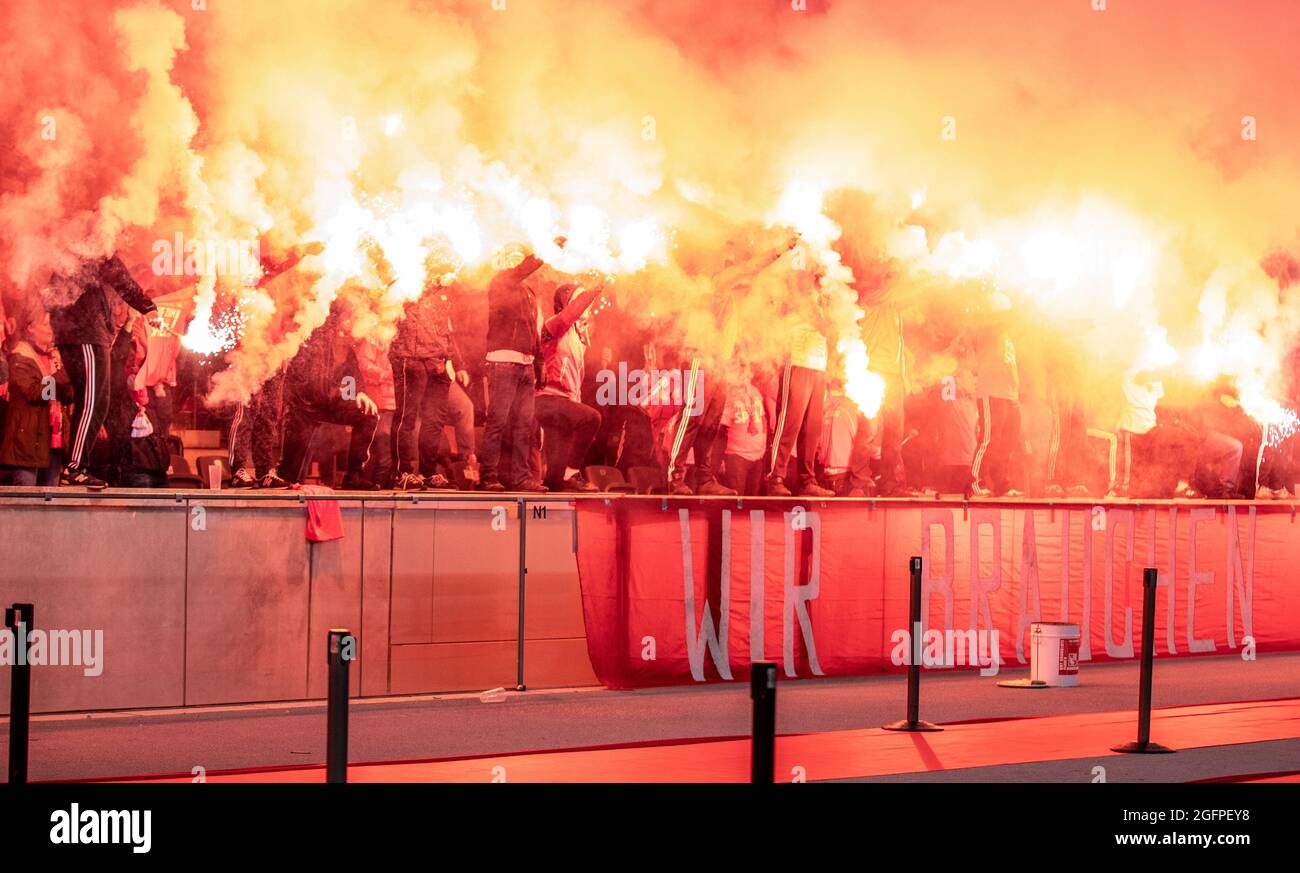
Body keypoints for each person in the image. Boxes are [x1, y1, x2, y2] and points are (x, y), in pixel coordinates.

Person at [45, 255, 161, 488]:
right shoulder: (96, 242)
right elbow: (120, 276)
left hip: (76, 332)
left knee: (93, 400)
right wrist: (147, 307)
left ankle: (77, 466)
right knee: (94, 400)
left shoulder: (74, 246)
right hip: (86, 332)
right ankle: (76, 466)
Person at [280, 298, 381, 489]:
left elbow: (350, 372)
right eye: (350, 317)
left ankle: (353, 477)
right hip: (305, 405)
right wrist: (336, 392)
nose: (353, 321)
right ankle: (287, 480)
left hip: (331, 401)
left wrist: (357, 393)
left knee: (368, 415)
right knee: (290, 473)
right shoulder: (315, 336)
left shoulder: (344, 342)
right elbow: (308, 379)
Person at [388, 271, 467, 491]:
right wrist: (434, 279)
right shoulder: (405, 280)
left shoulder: (443, 296)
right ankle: (402, 472)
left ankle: (428, 472)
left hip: (437, 363)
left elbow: (447, 332)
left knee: (434, 422)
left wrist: (457, 363)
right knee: (407, 418)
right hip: (410, 359)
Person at [480, 245, 547, 493]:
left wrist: (539, 362)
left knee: (524, 424)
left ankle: (520, 477)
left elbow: (534, 329)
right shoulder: (500, 281)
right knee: (497, 421)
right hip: (503, 361)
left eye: (522, 258)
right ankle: (488, 476)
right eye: (514, 259)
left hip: (526, 363)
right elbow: (521, 270)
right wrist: (545, 247)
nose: (520, 263)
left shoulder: (528, 292)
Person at [536, 282, 603, 492]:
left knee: (554, 480)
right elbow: (569, 315)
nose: (586, 305)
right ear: (567, 302)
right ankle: (573, 473)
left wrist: (576, 402)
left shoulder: (579, 338)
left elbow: (576, 378)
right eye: (578, 299)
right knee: (592, 418)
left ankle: (545, 516)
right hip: (545, 399)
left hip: (563, 404)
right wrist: (596, 286)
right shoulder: (554, 325)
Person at [0, 308, 71, 485]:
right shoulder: (20, 356)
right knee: (26, 502)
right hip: (26, 443)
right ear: (30, 328)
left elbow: (64, 397)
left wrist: (73, 383)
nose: (51, 329)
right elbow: (34, 392)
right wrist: (63, 375)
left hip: (52, 440)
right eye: (46, 324)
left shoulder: (53, 357)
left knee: (50, 504)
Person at [968, 294, 1023, 497]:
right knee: (988, 439)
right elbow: (1000, 321)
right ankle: (974, 483)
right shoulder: (988, 330)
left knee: (1008, 441)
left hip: (1010, 395)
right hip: (991, 393)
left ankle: (1001, 483)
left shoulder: (1007, 335)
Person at [356, 336, 397, 488]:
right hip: (381, 401)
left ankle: (384, 488)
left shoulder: (399, 339)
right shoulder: (373, 337)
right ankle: (378, 490)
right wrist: (386, 375)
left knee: (390, 453)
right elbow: (363, 364)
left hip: (397, 403)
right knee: (383, 453)